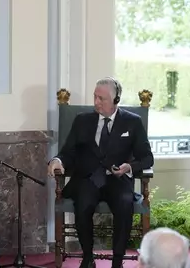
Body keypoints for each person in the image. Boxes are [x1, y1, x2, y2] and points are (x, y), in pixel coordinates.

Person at [47, 77, 154, 268]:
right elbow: (67, 152)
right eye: (95, 97)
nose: (96, 102)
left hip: (117, 179)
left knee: (124, 203)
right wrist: (57, 161)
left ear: (116, 100)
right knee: (83, 203)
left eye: (101, 99)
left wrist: (129, 167)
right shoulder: (82, 121)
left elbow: (147, 158)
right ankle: (88, 258)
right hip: (88, 178)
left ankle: (117, 261)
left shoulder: (132, 122)